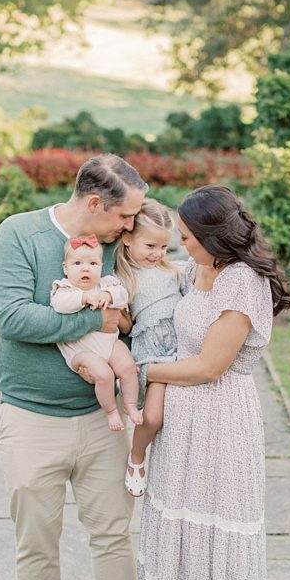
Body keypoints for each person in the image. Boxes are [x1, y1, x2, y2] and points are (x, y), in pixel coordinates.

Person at [0, 153, 165, 580]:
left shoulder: (120, 247)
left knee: (113, 535)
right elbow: (14, 317)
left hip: (100, 420)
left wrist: (121, 323)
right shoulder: (18, 234)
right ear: (94, 204)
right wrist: (97, 318)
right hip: (30, 417)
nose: (129, 225)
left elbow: (141, 309)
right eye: (124, 216)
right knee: (36, 538)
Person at [137, 185, 290, 580]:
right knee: (187, 534)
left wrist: (143, 373)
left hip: (221, 420)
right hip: (182, 423)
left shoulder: (243, 284)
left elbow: (209, 366)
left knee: (221, 537)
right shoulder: (197, 271)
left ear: (212, 235)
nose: (181, 246)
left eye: (186, 237)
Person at [114, 199, 184, 496]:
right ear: (128, 239)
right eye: (150, 246)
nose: (157, 254)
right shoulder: (122, 278)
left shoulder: (176, 272)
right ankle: (137, 457)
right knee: (153, 416)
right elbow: (127, 328)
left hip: (182, 348)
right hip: (152, 351)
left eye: (163, 248)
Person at [50, 234, 142, 432]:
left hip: (109, 343)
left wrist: (108, 295)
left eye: (92, 263)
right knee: (104, 374)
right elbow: (60, 305)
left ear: (100, 266)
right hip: (81, 352)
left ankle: (130, 405)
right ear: (66, 268)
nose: (85, 268)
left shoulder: (106, 284)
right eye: (77, 263)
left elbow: (122, 295)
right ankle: (110, 411)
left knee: (127, 366)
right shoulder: (64, 289)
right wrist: (83, 298)